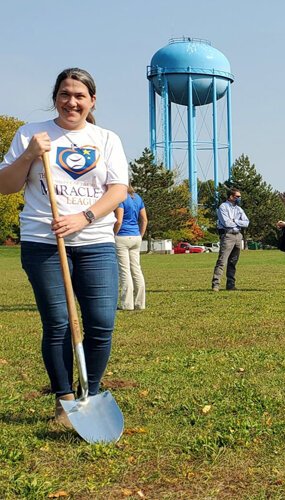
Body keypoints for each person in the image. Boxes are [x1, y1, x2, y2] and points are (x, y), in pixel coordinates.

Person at [0, 68, 128, 427]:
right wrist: (28, 155)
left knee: (101, 323)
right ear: (55, 97)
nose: (72, 102)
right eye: (65, 94)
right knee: (58, 323)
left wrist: (84, 217)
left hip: (96, 241)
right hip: (44, 242)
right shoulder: (31, 134)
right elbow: (5, 186)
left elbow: (118, 189)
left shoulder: (106, 139)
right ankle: (65, 400)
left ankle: (91, 393)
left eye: (79, 96)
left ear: (92, 101)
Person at [114, 185, 147, 310]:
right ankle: (140, 303)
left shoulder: (120, 198)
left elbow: (119, 220)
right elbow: (144, 219)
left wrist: (113, 234)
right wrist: (140, 235)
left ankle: (127, 304)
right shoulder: (137, 198)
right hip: (135, 236)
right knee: (136, 270)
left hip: (122, 236)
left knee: (125, 271)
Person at [211, 188, 249, 292]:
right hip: (228, 235)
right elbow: (227, 223)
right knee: (222, 261)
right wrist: (238, 222)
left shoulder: (239, 209)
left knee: (233, 262)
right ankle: (216, 284)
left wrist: (235, 220)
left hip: (238, 236)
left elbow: (246, 222)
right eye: (237, 196)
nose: (239, 198)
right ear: (231, 197)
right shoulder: (223, 207)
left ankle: (230, 285)